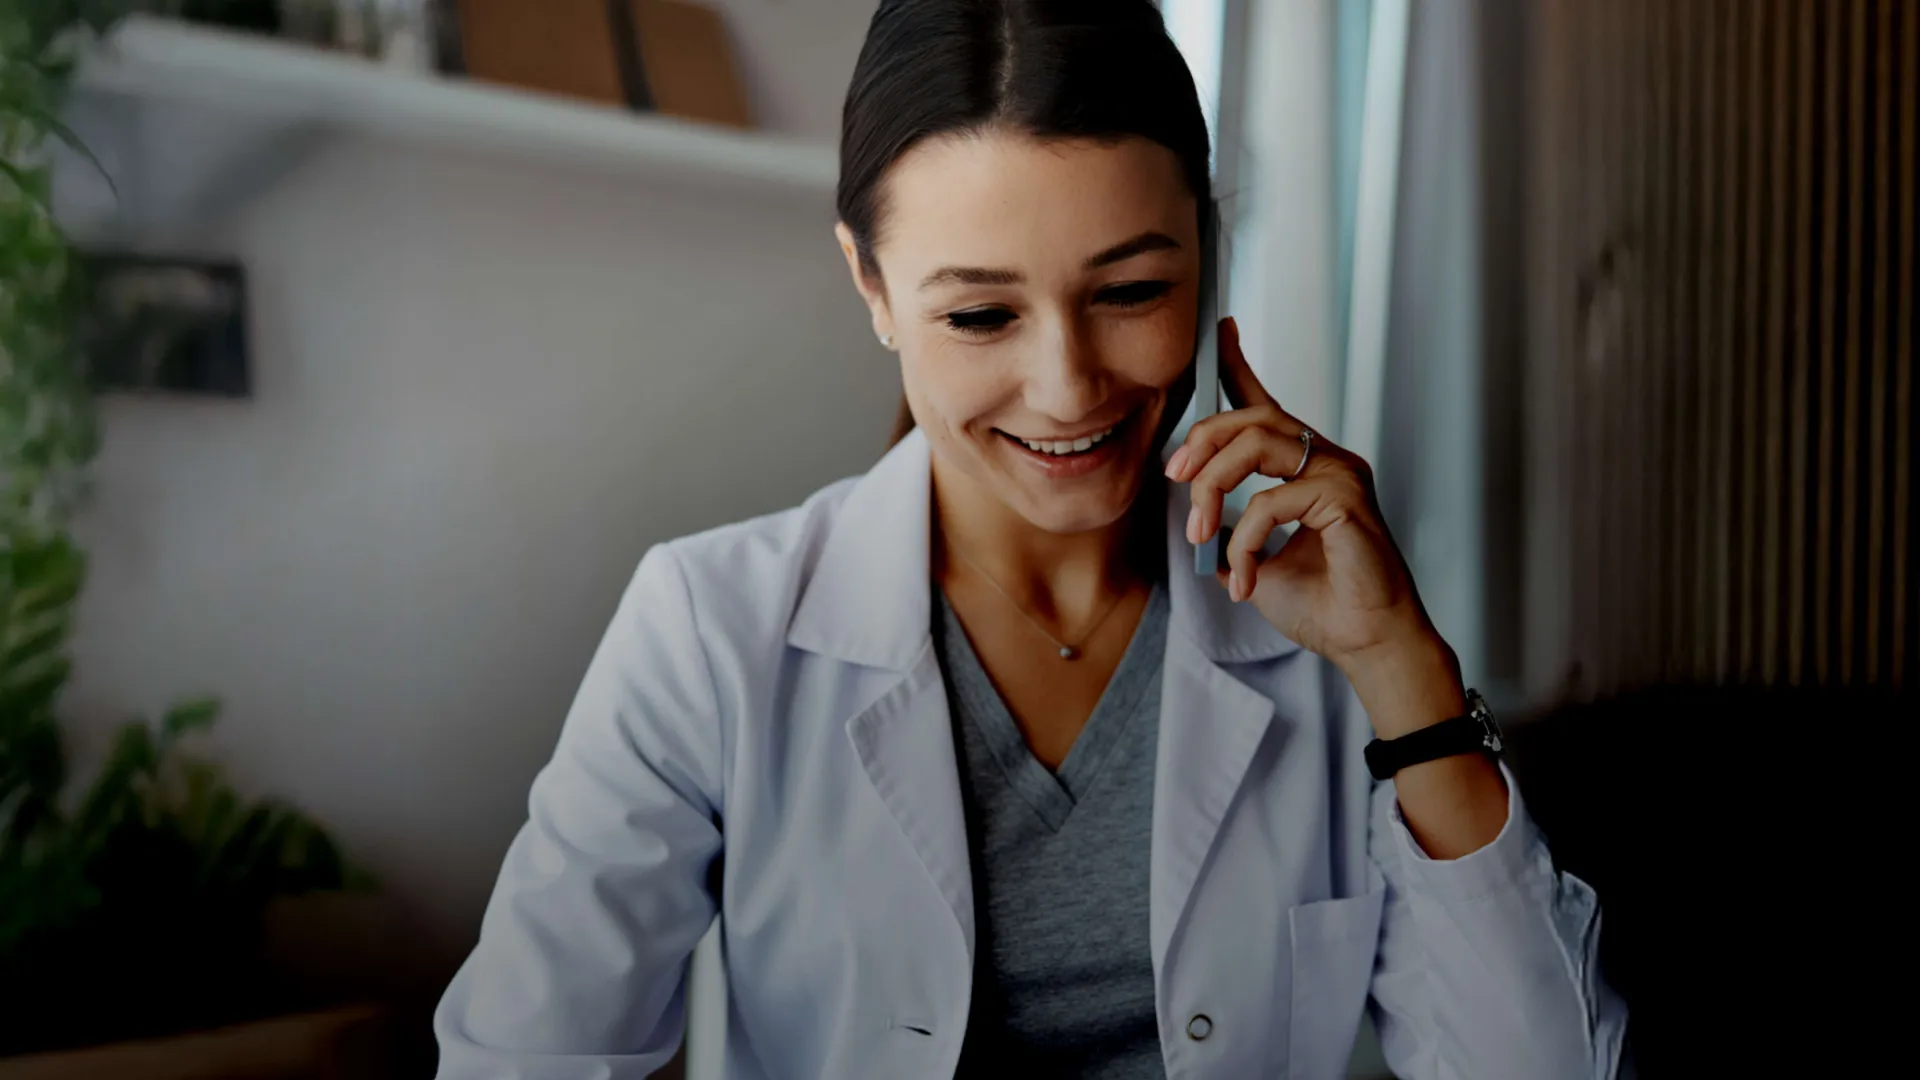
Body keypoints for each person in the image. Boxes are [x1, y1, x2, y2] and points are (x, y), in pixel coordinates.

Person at [434, 2, 1627, 1077]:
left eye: (1128, 292)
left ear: (1205, 251)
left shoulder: (1329, 639)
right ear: (872, 287)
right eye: (981, 313)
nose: (1067, 390)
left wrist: (1402, 674)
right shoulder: (707, 629)